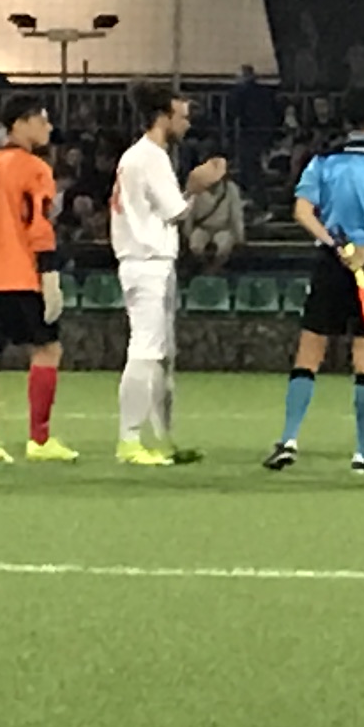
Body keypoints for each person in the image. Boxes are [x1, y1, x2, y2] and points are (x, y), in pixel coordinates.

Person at [274, 87, 364, 472]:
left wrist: (332, 242)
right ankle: (363, 449)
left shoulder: (323, 162)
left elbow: (302, 211)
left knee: (310, 350)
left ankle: (288, 439)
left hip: (331, 263)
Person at [0, 94, 73, 463]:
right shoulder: (34, 168)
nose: (48, 127)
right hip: (20, 274)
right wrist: (49, 272)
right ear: (20, 123)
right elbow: (39, 223)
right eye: (42, 119)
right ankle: (39, 440)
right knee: (47, 349)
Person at [109, 86, 219, 463]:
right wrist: (196, 186)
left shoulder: (139, 156)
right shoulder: (150, 157)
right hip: (147, 262)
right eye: (181, 116)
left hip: (149, 261)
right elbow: (177, 211)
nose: (186, 123)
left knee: (162, 354)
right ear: (163, 117)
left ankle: (162, 440)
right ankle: (129, 440)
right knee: (146, 349)